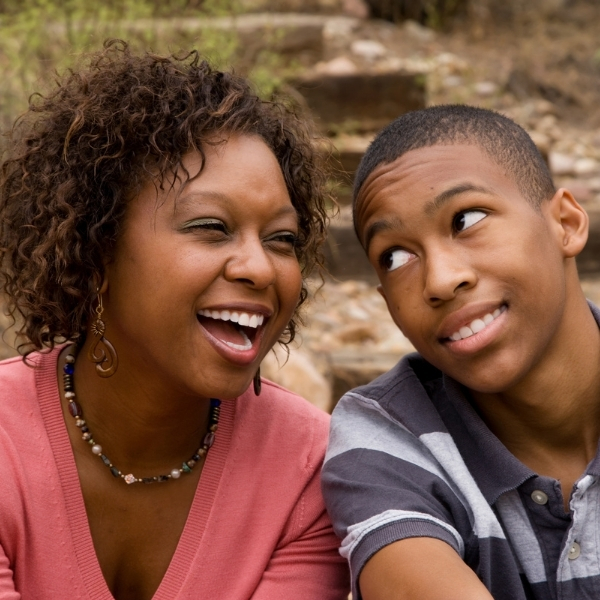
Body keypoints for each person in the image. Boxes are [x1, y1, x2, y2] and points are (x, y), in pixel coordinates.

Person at [0, 40, 349, 600]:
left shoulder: (309, 469)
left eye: (281, 239)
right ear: (97, 253)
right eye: (211, 227)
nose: (262, 268)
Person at [321, 104, 600, 600]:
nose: (440, 281)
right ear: (385, 299)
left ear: (566, 223)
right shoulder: (389, 437)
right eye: (396, 256)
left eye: (466, 219)